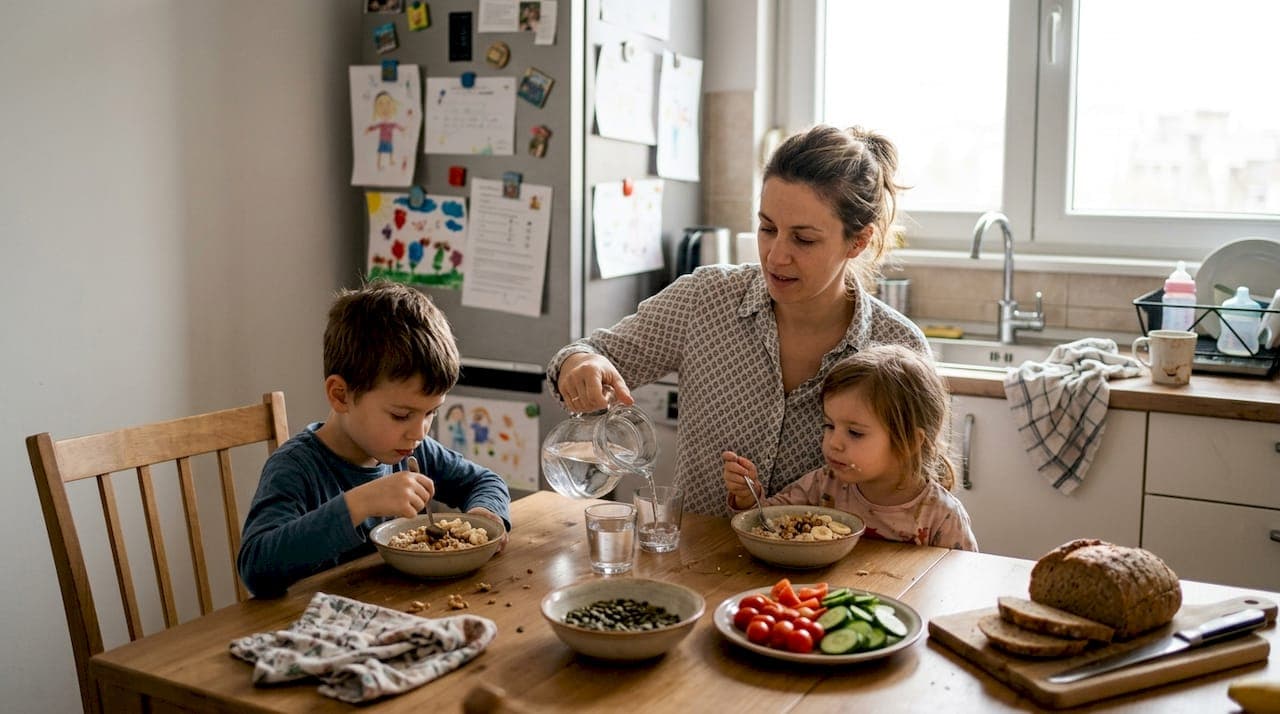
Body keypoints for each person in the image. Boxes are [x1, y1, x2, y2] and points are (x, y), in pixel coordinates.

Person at [548, 124, 927, 515]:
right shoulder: (706, 298)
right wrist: (581, 363)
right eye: (767, 228)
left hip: (836, 572)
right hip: (697, 565)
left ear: (858, 241)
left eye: (804, 239)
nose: (776, 256)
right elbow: (590, 354)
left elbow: (919, 497)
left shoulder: (897, 346)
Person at [238, 281, 511, 598]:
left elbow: (485, 481)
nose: (419, 432)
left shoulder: (413, 451)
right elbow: (256, 568)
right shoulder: (296, 468)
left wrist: (484, 515)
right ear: (341, 396)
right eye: (400, 415)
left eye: (431, 413)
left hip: (398, 610)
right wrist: (359, 504)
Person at [722, 345, 977, 550]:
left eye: (855, 433)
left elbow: (961, 588)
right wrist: (747, 498)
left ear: (910, 441)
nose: (834, 443)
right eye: (829, 426)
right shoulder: (824, 485)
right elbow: (767, 524)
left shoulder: (942, 516)